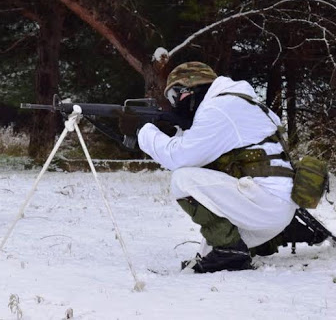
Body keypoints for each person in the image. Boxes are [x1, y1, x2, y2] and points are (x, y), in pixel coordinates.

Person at [137, 62, 327, 273]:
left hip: (265, 207)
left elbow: (180, 157)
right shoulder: (247, 104)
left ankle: (230, 253)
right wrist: (181, 128)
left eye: (175, 96)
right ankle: (242, 248)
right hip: (274, 210)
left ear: (190, 89)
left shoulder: (219, 108)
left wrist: (143, 132)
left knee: (182, 179)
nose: (174, 104)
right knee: (209, 249)